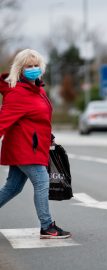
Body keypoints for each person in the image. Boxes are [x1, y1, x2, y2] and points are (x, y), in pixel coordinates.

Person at [0, 49, 71, 239]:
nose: (33, 69)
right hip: (24, 149)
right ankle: (47, 226)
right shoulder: (17, 93)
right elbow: (2, 122)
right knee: (41, 182)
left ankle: (47, 226)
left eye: (35, 65)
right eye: (28, 66)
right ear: (19, 69)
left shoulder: (38, 89)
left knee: (13, 188)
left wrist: (49, 136)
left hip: (31, 147)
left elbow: (37, 119)